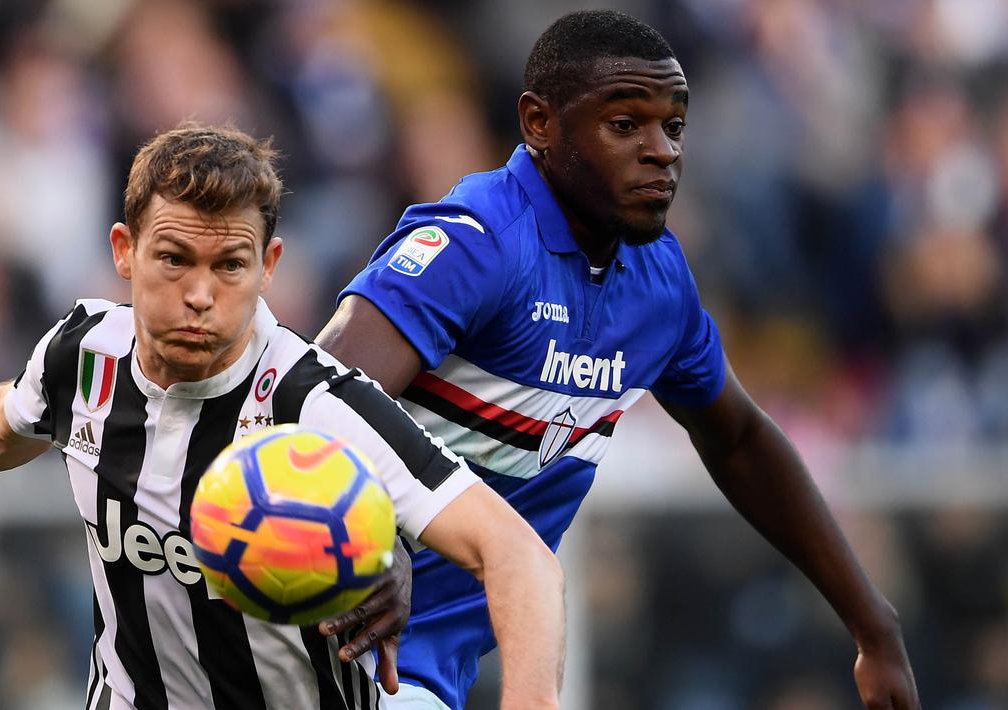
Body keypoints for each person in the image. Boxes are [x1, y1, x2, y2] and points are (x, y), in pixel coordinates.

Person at [0, 124, 566, 710]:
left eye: (229, 265)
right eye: (173, 259)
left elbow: (517, 555)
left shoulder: (320, 404)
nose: (199, 294)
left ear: (269, 265)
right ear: (125, 251)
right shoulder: (83, 352)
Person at [318, 10, 920, 710]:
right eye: (625, 125)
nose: (661, 150)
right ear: (538, 124)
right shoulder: (478, 242)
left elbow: (740, 439)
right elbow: (316, 397)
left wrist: (873, 625)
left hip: (427, 670)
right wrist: (364, 535)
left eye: (674, 126)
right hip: (329, 643)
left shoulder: (657, 282)